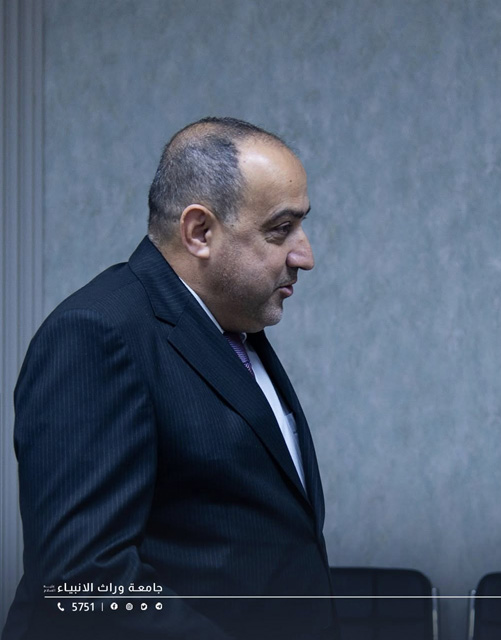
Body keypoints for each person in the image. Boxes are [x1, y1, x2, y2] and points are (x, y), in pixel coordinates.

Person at [3, 117, 339, 640]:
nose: (305, 256)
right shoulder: (96, 335)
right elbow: (82, 582)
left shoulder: (235, 327)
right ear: (199, 232)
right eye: (280, 229)